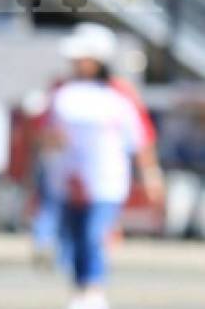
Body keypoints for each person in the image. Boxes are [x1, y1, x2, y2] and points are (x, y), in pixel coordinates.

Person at [40, 23, 164, 309]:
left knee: (94, 234)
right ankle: (81, 288)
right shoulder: (62, 90)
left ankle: (94, 290)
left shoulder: (120, 94)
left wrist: (151, 177)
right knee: (72, 236)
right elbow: (47, 133)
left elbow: (141, 139)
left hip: (105, 181)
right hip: (68, 181)